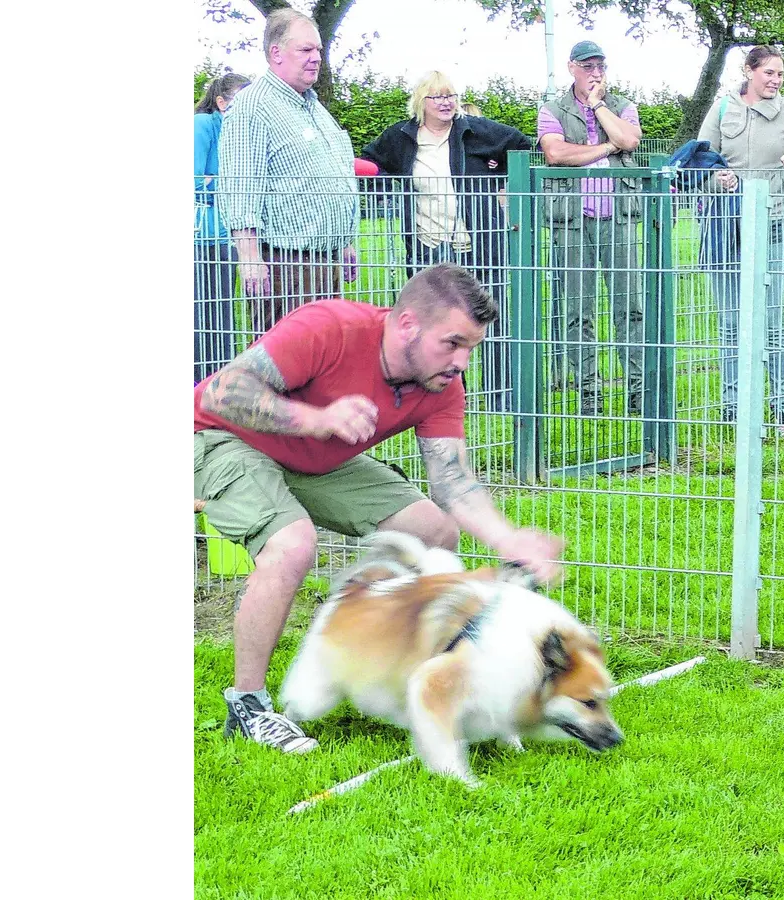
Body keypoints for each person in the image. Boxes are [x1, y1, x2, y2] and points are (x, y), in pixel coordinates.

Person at [194, 263, 566, 753]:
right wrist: (313, 417)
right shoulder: (329, 327)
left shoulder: (440, 386)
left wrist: (506, 537)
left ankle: (403, 670)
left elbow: (452, 482)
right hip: (218, 438)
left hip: (312, 457)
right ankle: (249, 706)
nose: (462, 362)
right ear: (408, 324)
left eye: (471, 348)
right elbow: (223, 393)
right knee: (291, 544)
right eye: (452, 343)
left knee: (433, 531)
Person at [359, 71, 534, 412]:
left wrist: (495, 173)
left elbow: (520, 145)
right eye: (437, 97)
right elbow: (373, 163)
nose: (446, 102)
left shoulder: (474, 130)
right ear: (421, 102)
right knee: (437, 321)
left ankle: (500, 395)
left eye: (450, 95)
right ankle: (449, 393)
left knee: (488, 314)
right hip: (427, 239)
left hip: (477, 238)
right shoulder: (401, 137)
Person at [697, 45, 784, 437]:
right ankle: (732, 409)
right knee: (730, 323)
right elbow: (702, 159)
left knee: (772, 322)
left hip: (772, 224)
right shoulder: (723, 108)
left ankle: (783, 411)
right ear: (749, 71)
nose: (775, 80)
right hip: (725, 224)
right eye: (769, 73)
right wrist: (715, 179)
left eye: (779, 74)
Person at [217, 7, 360, 340]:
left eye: (319, 50)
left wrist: (346, 242)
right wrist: (250, 257)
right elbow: (239, 185)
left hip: (325, 260)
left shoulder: (312, 105)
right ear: (276, 53)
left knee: (324, 366)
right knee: (286, 370)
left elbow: (335, 176)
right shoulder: (253, 106)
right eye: (306, 50)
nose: (316, 58)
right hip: (286, 266)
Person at [536, 39, 647, 416]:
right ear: (572, 68)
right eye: (587, 67)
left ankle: (637, 390)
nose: (595, 73)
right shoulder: (552, 110)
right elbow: (556, 153)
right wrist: (606, 149)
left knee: (629, 308)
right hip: (571, 220)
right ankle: (588, 394)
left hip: (618, 218)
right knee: (577, 312)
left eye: (600, 67)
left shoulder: (622, 106)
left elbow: (629, 139)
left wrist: (599, 106)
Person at [195, 72, 251, 383]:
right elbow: (193, 180)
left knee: (222, 318)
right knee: (203, 317)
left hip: (227, 236)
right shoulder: (203, 126)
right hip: (202, 238)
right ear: (221, 102)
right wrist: (230, 186)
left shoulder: (238, 133)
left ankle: (217, 383)